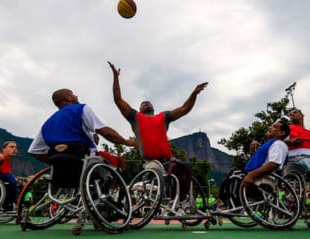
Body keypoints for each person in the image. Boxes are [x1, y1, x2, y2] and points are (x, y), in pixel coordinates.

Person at [108, 61, 208, 201]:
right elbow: (118, 100)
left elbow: (184, 109)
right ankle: (158, 200)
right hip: (151, 162)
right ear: (140, 109)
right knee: (156, 170)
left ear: (153, 108)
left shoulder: (163, 117)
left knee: (186, 168)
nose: (146, 103)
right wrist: (116, 77)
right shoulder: (135, 117)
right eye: (143, 103)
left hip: (168, 161)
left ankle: (178, 201)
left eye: (148, 102)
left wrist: (194, 94)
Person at [28, 89, 135, 187]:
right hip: (85, 162)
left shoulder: (48, 123)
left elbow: (34, 150)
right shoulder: (80, 109)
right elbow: (106, 133)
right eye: (73, 94)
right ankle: (110, 193)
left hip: (61, 169)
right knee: (116, 163)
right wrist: (127, 142)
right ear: (67, 98)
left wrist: (57, 160)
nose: (76, 96)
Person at [242, 119, 290, 187]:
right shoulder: (271, 144)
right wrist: (253, 152)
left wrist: (251, 175)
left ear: (281, 133)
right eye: (271, 126)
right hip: (256, 178)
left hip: (263, 180)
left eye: (274, 127)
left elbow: (273, 164)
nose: (270, 127)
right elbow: (259, 163)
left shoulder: (279, 144)